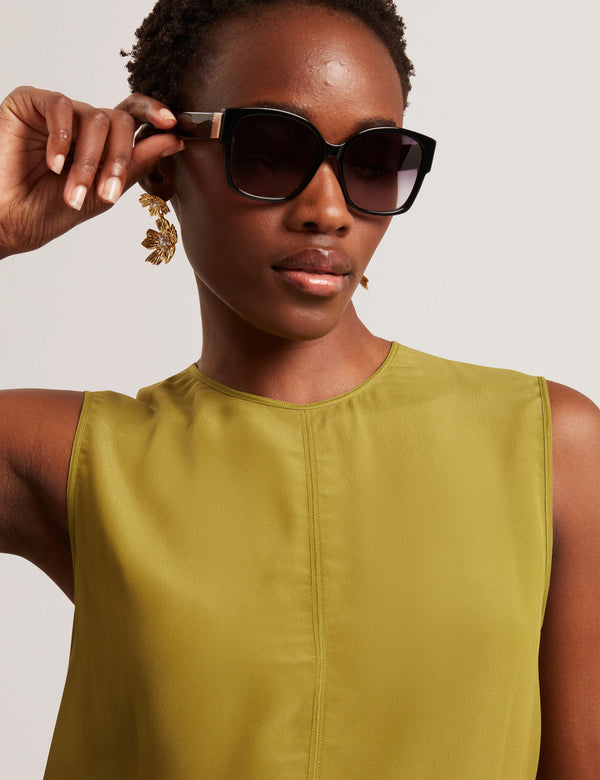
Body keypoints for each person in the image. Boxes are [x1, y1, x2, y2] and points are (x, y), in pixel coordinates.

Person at [0, 0, 599, 777]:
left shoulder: (550, 446)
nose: (329, 209)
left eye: (374, 160)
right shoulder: (68, 457)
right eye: (272, 151)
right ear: (164, 162)